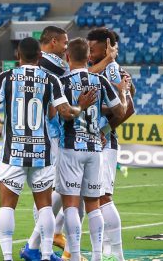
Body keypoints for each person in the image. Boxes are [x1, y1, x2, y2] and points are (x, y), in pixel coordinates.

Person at [0, 37, 96, 261]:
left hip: (14, 153)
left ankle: (8, 257)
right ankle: (46, 255)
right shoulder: (51, 80)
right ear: (40, 56)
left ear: (17, 56)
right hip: (42, 153)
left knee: (7, 207)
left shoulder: (5, 77)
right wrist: (81, 106)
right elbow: (66, 113)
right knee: (45, 207)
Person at [24, 26, 118, 261]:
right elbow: (81, 79)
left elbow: (77, 78)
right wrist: (107, 61)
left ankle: (49, 245)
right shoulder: (52, 65)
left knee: (63, 192)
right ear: (54, 42)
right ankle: (45, 246)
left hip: (61, 136)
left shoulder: (49, 65)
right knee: (67, 195)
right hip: (57, 136)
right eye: (64, 42)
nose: (66, 47)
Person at [59, 38, 128, 261]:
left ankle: (75, 255)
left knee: (70, 205)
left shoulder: (61, 82)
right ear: (88, 57)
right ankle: (98, 256)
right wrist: (124, 92)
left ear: (67, 57)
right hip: (95, 148)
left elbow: (58, 113)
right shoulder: (99, 80)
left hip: (70, 148)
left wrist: (78, 107)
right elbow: (120, 112)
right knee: (94, 205)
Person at [87, 28, 136, 261]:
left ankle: (117, 254)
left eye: (92, 48)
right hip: (92, 143)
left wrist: (104, 130)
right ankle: (106, 251)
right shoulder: (100, 69)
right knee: (94, 199)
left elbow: (128, 108)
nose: (88, 52)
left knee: (104, 197)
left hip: (105, 143)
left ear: (106, 48)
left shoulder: (113, 69)